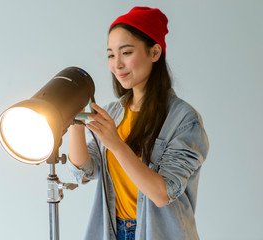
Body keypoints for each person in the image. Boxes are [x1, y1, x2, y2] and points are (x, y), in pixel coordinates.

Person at [67, 6, 209, 240]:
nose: (117, 64)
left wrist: (115, 143)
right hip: (113, 231)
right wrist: (74, 118)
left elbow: (162, 193)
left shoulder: (184, 120)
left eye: (126, 52)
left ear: (155, 53)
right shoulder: (113, 112)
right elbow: (83, 171)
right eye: (111, 55)